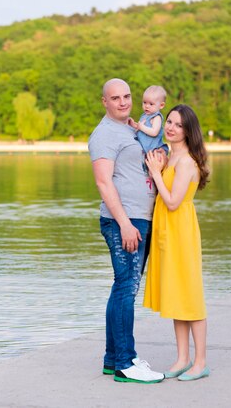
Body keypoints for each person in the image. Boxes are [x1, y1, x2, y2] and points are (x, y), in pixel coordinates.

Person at [88, 78, 168, 384]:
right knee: (126, 288)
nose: (123, 102)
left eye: (127, 96)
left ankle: (114, 358)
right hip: (125, 220)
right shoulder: (105, 134)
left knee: (122, 286)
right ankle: (125, 362)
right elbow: (103, 182)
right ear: (104, 102)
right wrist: (124, 223)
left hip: (140, 218)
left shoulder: (131, 129)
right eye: (115, 98)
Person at [142, 104, 211, 381]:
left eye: (178, 124)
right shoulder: (170, 157)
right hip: (166, 233)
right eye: (168, 121)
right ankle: (182, 358)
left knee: (190, 296)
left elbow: (172, 202)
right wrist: (157, 169)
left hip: (180, 231)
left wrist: (156, 173)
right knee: (176, 295)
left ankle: (200, 362)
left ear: (188, 131)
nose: (170, 127)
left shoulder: (186, 163)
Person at [127, 85, 167, 155]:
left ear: (161, 105)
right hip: (143, 150)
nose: (147, 106)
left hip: (153, 151)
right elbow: (142, 129)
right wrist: (134, 125)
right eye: (144, 102)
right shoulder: (144, 115)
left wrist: (141, 127)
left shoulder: (156, 117)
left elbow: (154, 132)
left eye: (151, 104)